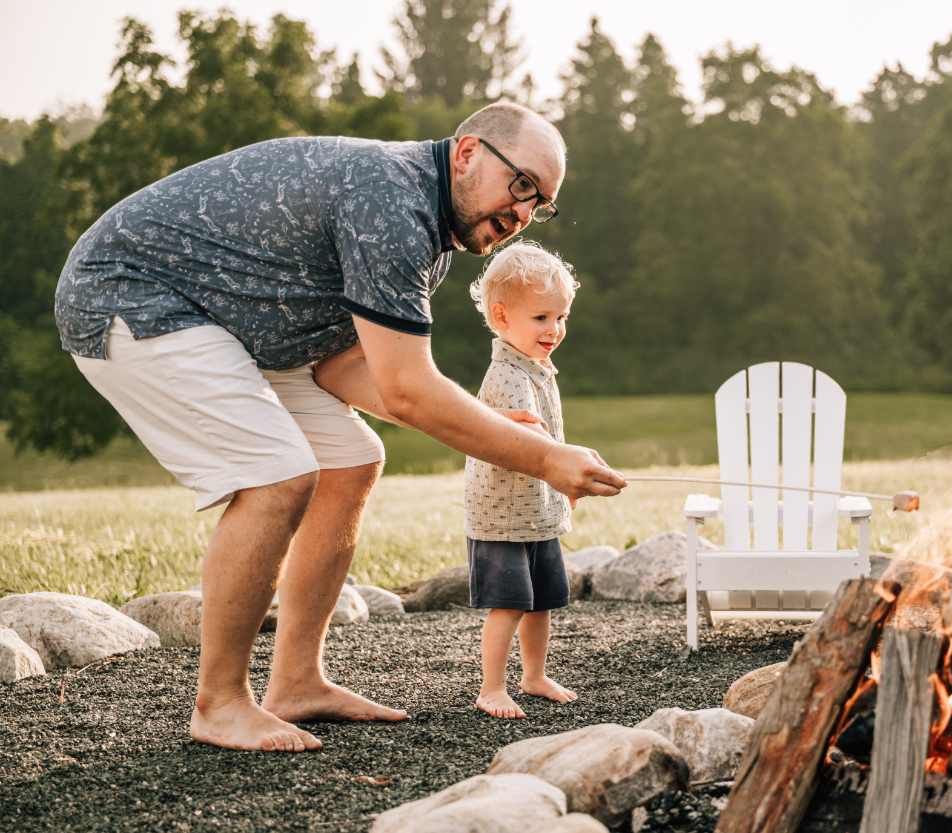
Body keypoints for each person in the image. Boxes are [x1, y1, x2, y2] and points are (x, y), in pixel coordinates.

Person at [55, 102, 627, 753]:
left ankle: (296, 680)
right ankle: (219, 703)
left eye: (540, 203)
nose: (524, 212)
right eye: (521, 185)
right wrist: (541, 457)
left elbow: (353, 368)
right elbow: (409, 392)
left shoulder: (432, 230)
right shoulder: (393, 204)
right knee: (279, 474)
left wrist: (493, 423)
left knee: (351, 457)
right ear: (467, 153)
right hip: (129, 292)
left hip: (234, 322)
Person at [460, 242, 580, 719]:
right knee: (509, 605)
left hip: (537, 510)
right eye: (541, 318)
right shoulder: (507, 377)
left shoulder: (537, 370)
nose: (554, 329)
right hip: (504, 515)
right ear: (502, 317)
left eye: (561, 317)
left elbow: (552, 441)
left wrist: (565, 484)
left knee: (540, 603)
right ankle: (492, 687)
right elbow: (518, 445)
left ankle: (533, 676)